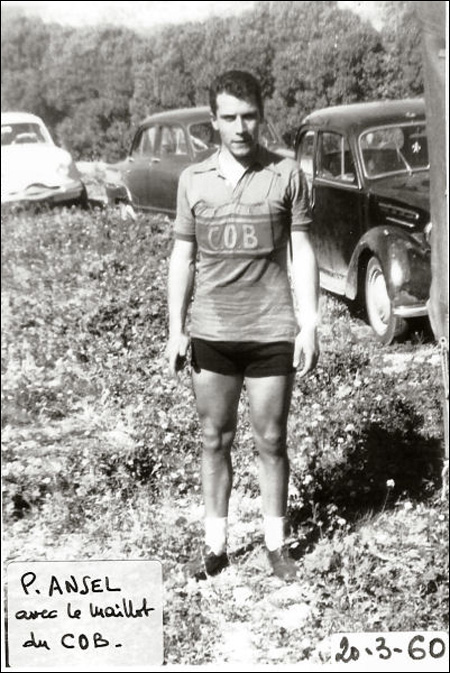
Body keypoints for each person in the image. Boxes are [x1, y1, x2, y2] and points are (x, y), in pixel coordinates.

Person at [166, 70, 320, 581]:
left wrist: (309, 325)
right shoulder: (193, 180)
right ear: (213, 121)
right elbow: (183, 257)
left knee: (272, 440)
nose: (240, 127)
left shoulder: (286, 174)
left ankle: (276, 546)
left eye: (249, 116)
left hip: (272, 330)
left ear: (262, 116)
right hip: (212, 331)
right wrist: (175, 328)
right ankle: (215, 548)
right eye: (229, 117)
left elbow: (302, 251)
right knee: (215, 439)